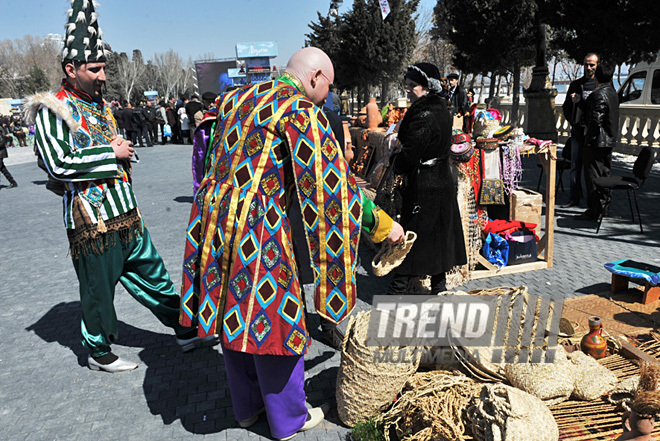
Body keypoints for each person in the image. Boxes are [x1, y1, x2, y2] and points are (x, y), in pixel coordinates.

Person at [180, 46, 404, 440]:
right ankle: (287, 419)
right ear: (316, 77)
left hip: (215, 222)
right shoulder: (299, 110)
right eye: (329, 87)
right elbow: (330, 189)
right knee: (276, 320)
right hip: (258, 228)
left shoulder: (236, 98)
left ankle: (246, 409)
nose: (328, 96)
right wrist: (382, 225)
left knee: (234, 315)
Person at [24, 0, 215, 373]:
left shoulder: (98, 106)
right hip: (92, 223)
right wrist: (110, 154)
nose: (101, 76)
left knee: (155, 277)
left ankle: (183, 328)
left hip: (127, 214)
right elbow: (57, 164)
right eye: (94, 69)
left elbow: (113, 151)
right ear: (71, 68)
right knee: (98, 290)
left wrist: (124, 153)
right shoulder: (52, 109)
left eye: (103, 69)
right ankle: (98, 352)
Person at [386, 63, 467, 295]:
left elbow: (412, 153)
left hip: (425, 183)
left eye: (412, 86)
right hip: (441, 178)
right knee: (438, 236)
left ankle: (395, 292)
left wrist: (396, 164)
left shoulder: (424, 113)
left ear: (426, 88)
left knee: (412, 237)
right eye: (407, 86)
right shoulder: (441, 107)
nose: (408, 90)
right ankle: (439, 288)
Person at [576, 60, 620, 221]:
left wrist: (589, 138)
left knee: (593, 177)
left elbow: (596, 119)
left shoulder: (599, 94)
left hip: (597, 142)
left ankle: (594, 210)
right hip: (608, 142)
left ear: (597, 76)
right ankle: (604, 207)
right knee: (605, 175)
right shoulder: (612, 93)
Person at [562, 53, 599, 208]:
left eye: (592, 65)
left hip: (594, 133)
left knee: (592, 168)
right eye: (586, 64)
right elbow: (566, 107)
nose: (589, 68)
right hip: (578, 132)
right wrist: (573, 122)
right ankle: (574, 198)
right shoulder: (576, 85)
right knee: (575, 167)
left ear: (598, 66)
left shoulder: (600, 86)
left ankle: (593, 201)